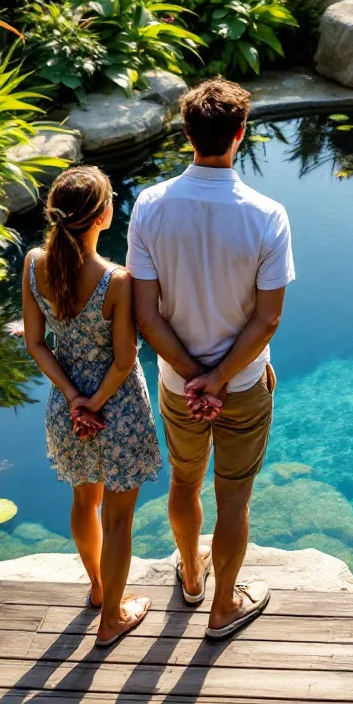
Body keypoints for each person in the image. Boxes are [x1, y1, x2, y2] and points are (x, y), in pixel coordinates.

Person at [128, 78, 293, 640]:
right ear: (240, 136)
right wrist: (220, 378)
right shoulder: (268, 214)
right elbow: (267, 319)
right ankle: (223, 606)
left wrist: (195, 379)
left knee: (183, 481)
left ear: (186, 134)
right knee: (234, 497)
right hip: (243, 383)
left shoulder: (149, 206)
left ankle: (192, 579)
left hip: (177, 385)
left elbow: (146, 316)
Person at [21, 166, 162, 647]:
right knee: (118, 519)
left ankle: (101, 591)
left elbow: (37, 344)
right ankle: (111, 622)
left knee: (85, 500)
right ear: (103, 216)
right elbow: (125, 359)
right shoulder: (116, 280)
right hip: (117, 409)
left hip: (67, 407)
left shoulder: (35, 262)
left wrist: (74, 399)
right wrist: (96, 403)